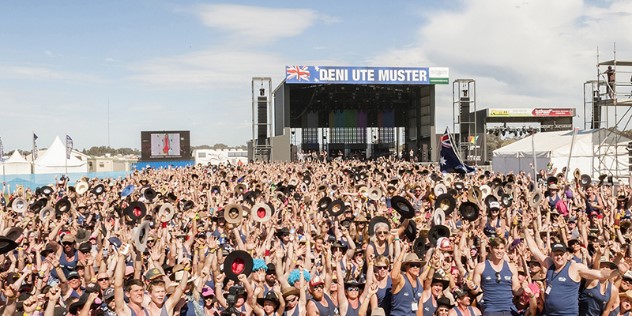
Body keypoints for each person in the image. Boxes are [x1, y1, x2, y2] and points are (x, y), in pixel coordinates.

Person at [524, 225, 629, 316]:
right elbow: (534, 250)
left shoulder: (575, 268)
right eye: (556, 254)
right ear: (551, 255)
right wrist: (524, 229)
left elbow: (600, 274)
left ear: (567, 255)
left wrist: (617, 272)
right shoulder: (549, 263)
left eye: (561, 254)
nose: (559, 257)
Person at [471, 236, 523, 316]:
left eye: (502, 248)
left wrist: (523, 287)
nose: (499, 251)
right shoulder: (481, 267)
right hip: (491, 310)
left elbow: (516, 290)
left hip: (509, 309)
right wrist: (471, 286)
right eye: (497, 248)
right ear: (491, 249)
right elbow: (475, 290)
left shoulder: (511, 267)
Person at [391, 245, 425, 316]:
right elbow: (393, 276)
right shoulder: (401, 279)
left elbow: (420, 308)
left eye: (418, 265)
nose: (415, 267)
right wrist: (402, 252)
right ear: (406, 266)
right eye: (412, 265)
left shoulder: (420, 281)